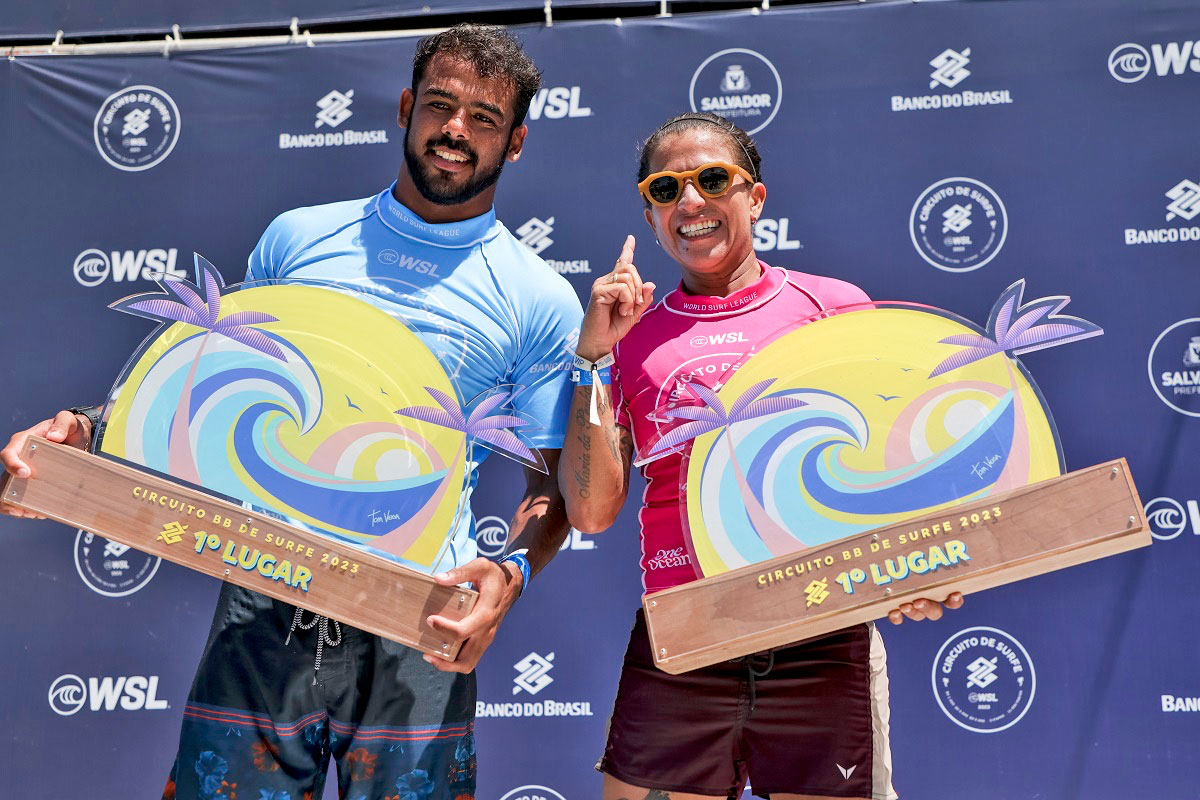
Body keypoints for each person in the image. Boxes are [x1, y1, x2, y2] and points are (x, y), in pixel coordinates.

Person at [1, 25, 582, 800]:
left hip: (421, 614)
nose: (454, 131)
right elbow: (201, 384)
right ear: (406, 107)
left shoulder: (539, 297)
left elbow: (550, 493)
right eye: (439, 105)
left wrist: (508, 574)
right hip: (264, 589)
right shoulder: (299, 238)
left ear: (514, 144)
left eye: (483, 119)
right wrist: (81, 428)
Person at [559, 111, 963, 800]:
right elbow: (592, 511)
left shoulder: (833, 307)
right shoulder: (627, 340)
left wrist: (922, 567)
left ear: (756, 196)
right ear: (650, 211)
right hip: (684, 633)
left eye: (712, 179)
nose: (690, 202)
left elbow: (895, 466)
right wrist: (593, 359)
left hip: (820, 628)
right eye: (666, 188)